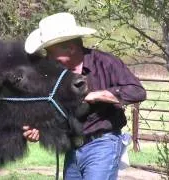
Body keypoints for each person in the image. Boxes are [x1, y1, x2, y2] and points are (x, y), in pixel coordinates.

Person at [23, 12, 146, 180]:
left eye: (51, 52)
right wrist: (38, 129)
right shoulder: (53, 75)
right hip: (72, 149)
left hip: (103, 143)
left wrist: (100, 94)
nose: (48, 58)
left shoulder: (105, 63)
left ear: (71, 48)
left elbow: (137, 91)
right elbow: (52, 111)